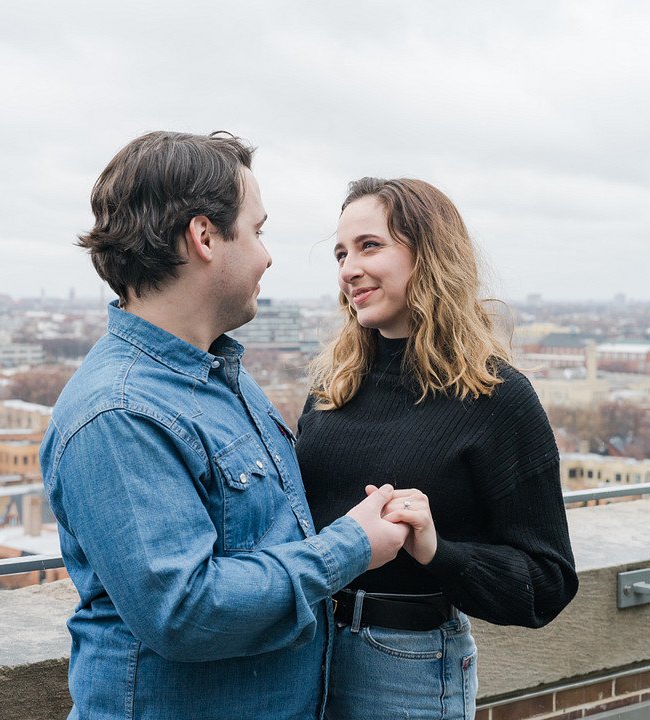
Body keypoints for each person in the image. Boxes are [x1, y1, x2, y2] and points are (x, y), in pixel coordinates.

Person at [40, 132, 410, 720]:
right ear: (204, 236)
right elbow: (184, 611)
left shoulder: (216, 375)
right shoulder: (120, 413)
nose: (267, 255)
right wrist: (351, 546)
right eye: (257, 230)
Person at [297, 177, 579, 719]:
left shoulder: (497, 397)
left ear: (428, 253)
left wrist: (434, 549)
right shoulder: (333, 384)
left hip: (404, 666)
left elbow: (547, 582)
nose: (348, 268)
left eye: (369, 245)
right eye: (340, 253)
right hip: (299, 655)